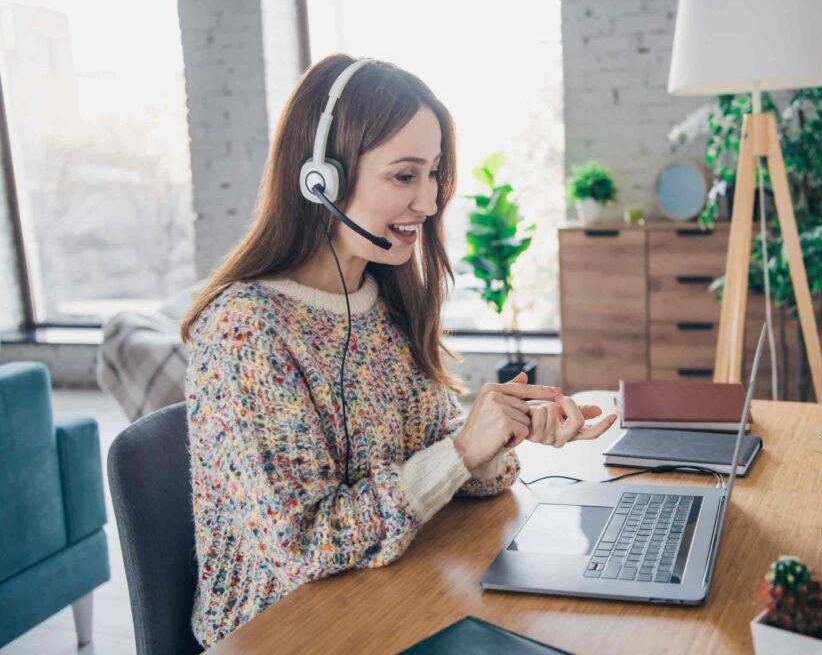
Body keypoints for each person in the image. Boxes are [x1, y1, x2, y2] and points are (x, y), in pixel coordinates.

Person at [178, 54, 618, 648]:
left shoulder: (384, 298)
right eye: (404, 176)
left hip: (390, 587)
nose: (431, 202)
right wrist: (461, 449)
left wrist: (497, 436)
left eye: (434, 174)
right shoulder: (244, 332)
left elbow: (450, 471)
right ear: (320, 178)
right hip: (282, 630)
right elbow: (302, 549)